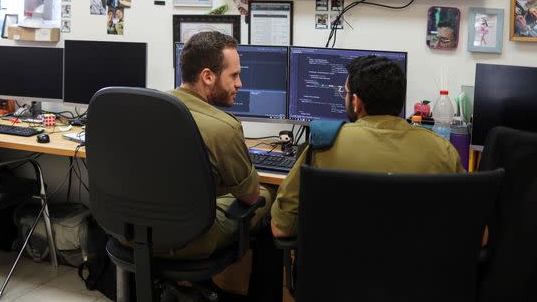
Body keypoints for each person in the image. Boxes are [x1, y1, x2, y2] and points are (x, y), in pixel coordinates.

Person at [270, 55, 464, 238]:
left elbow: (281, 228)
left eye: (345, 93)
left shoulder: (323, 147)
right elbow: (479, 234)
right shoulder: (442, 150)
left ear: (356, 102)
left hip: (338, 271)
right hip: (419, 271)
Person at [169, 32, 273, 258]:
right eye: (234, 75)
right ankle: (250, 291)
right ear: (208, 76)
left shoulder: (149, 108)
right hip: (191, 241)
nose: (239, 83)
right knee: (266, 192)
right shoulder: (223, 128)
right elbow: (250, 198)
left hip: (130, 234)